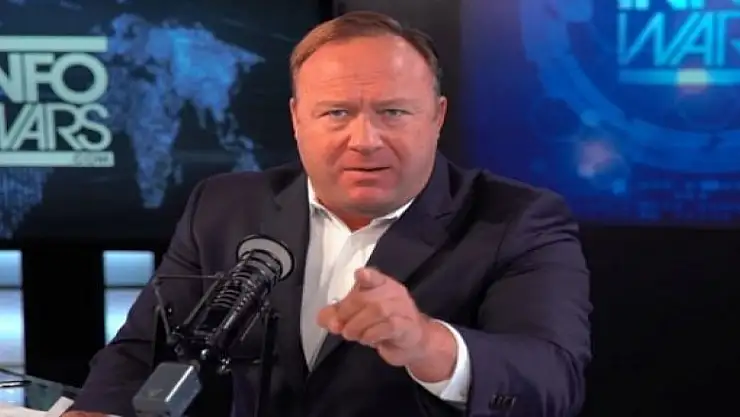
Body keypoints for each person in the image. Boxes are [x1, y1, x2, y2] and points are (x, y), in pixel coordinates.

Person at [63, 10, 591, 417]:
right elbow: (141, 352)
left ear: (436, 117)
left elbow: (553, 382)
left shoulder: (516, 220)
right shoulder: (225, 206)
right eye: (337, 113)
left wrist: (425, 342)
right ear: (298, 119)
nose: (365, 140)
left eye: (393, 112)